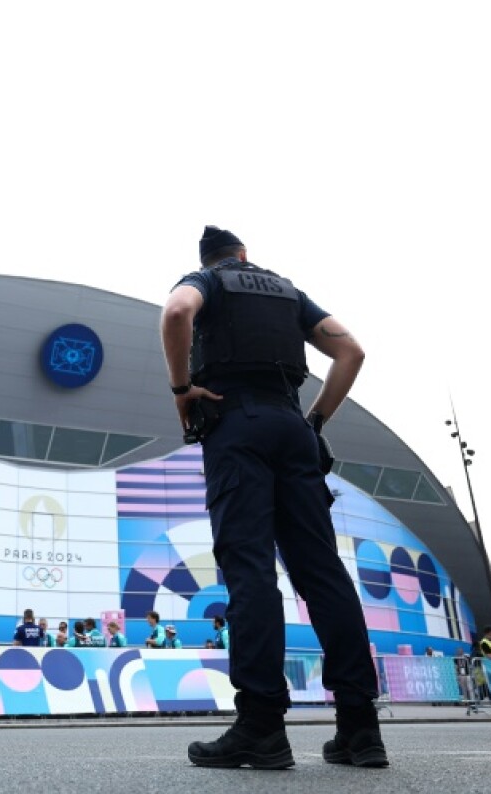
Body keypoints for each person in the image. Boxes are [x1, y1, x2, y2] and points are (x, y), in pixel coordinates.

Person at [160, 226, 386, 770]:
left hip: (237, 427)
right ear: (245, 255)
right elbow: (351, 351)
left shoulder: (206, 282)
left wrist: (180, 389)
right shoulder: (287, 293)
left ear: (212, 260)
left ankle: (261, 726)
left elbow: (175, 314)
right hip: (293, 429)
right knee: (322, 572)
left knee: (251, 572)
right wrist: (315, 420)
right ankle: (360, 729)